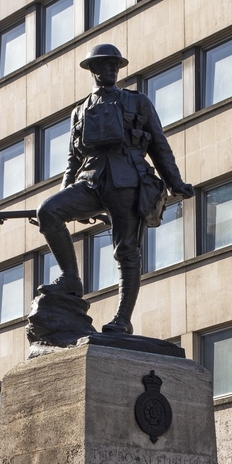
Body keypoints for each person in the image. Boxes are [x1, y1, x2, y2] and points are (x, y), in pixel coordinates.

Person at [37, 43, 194, 335]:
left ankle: (123, 318)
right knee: (48, 211)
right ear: (93, 70)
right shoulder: (80, 111)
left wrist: (175, 182)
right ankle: (71, 278)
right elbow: (72, 159)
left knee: (127, 251)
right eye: (106, 64)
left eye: (115, 65)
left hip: (129, 179)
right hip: (91, 179)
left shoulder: (138, 102)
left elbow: (159, 145)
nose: (112, 69)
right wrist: (63, 194)